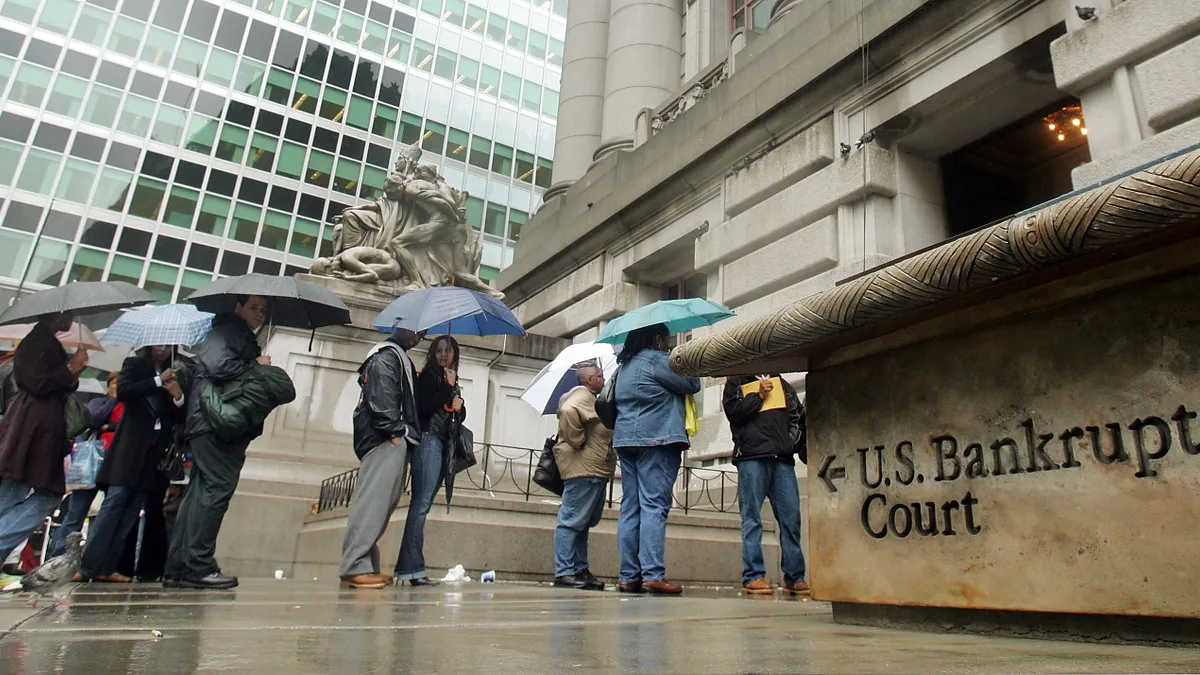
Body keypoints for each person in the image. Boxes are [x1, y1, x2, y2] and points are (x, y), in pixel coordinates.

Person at [165, 295, 269, 590]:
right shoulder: (229, 331)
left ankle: (178, 567)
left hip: (207, 422)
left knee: (199, 493)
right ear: (237, 307)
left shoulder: (227, 331)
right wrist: (256, 366)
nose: (260, 314)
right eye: (254, 307)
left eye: (263, 310)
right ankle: (198, 565)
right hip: (218, 423)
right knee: (215, 491)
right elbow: (218, 364)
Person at [79, 346, 185, 583]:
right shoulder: (135, 365)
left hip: (154, 451)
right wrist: (158, 381)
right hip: (130, 447)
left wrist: (178, 395)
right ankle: (89, 565)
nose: (163, 349)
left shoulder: (177, 371)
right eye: (159, 343)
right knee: (114, 503)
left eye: (168, 345)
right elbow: (125, 392)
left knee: (133, 510)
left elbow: (178, 416)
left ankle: (109, 566)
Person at [612, 324, 701, 595]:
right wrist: (680, 355)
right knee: (653, 505)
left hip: (626, 440)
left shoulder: (622, 367)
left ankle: (629, 575)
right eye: (666, 338)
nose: (668, 342)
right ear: (656, 339)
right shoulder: (658, 360)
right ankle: (653, 574)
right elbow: (692, 383)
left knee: (631, 507)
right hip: (657, 439)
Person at [340, 327, 424, 590]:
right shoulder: (386, 357)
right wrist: (396, 432)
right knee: (372, 505)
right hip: (384, 439)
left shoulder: (395, 355)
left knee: (380, 506)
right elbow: (382, 399)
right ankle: (355, 566)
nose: (419, 335)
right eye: (415, 329)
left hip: (389, 438)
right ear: (398, 325)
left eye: (423, 331)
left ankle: (365, 564)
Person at [0, 312, 88, 562]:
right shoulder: (37, 341)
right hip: (32, 428)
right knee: (16, 490)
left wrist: (74, 369)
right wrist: (70, 367)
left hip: (40, 427)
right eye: (68, 314)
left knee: (21, 490)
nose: (71, 319)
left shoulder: (46, 341)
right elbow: (36, 383)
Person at [723, 374, 810, 596]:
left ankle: (795, 576)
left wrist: (791, 444)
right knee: (752, 518)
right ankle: (753, 575)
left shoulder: (783, 385)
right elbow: (733, 413)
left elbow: (797, 417)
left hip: (781, 459)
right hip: (751, 457)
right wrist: (757, 396)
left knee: (791, 518)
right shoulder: (737, 381)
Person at [394, 335, 462, 586]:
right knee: (420, 505)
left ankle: (408, 568)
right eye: (439, 351)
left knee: (423, 504)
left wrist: (458, 405)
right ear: (433, 354)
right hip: (428, 441)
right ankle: (412, 569)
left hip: (442, 443)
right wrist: (447, 391)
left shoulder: (450, 378)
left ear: (455, 354)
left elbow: (455, 414)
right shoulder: (429, 377)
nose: (444, 355)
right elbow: (424, 408)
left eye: (448, 351)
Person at [552, 360, 615, 591]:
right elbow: (568, 413)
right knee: (571, 521)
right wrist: (577, 441)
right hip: (583, 468)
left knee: (583, 523)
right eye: (599, 376)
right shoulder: (580, 398)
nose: (603, 379)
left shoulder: (590, 398)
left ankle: (579, 569)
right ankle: (565, 572)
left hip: (593, 468)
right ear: (590, 380)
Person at [51, 371, 122, 558]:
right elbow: (94, 419)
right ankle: (58, 555)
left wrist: (111, 426)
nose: (117, 386)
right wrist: (113, 401)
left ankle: (93, 557)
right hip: (92, 464)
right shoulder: (99, 401)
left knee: (106, 514)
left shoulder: (130, 406)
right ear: (109, 385)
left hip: (115, 463)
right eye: (114, 383)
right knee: (76, 512)